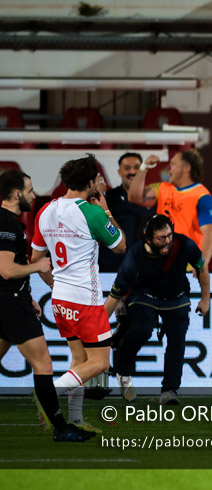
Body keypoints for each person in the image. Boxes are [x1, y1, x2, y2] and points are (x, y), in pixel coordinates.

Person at [30, 154, 127, 432]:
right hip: (86, 300)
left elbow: (36, 258)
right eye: (97, 178)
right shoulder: (92, 211)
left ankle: (75, 418)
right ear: (90, 182)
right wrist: (107, 210)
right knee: (99, 363)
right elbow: (120, 246)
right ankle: (46, 394)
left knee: (79, 360)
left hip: (60, 298)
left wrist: (54, 285)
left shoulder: (45, 210)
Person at [0, 171, 92, 442]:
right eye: (29, 190)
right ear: (16, 194)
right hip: (11, 305)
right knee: (43, 364)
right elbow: (5, 270)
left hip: (11, 301)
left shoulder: (7, 223)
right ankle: (61, 428)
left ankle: (62, 427)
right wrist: (38, 266)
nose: (33, 195)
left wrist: (26, 294)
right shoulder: (7, 224)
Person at [104, 215, 210, 406]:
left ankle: (169, 391)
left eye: (169, 235)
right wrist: (99, 325)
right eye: (161, 238)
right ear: (148, 238)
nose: (168, 241)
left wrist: (205, 299)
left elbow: (202, 267)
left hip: (177, 298)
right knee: (141, 330)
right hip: (144, 297)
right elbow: (115, 294)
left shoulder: (184, 244)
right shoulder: (134, 257)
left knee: (177, 341)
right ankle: (123, 372)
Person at [128, 149, 212, 269]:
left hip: (187, 268)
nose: (168, 169)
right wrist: (144, 168)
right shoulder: (162, 189)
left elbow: (209, 233)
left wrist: (202, 264)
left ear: (186, 168)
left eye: (173, 165)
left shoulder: (202, 196)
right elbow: (134, 197)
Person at [98, 152, 153, 273]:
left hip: (144, 267)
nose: (132, 172)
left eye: (137, 168)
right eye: (127, 168)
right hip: (111, 267)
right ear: (119, 172)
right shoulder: (108, 198)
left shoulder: (153, 199)